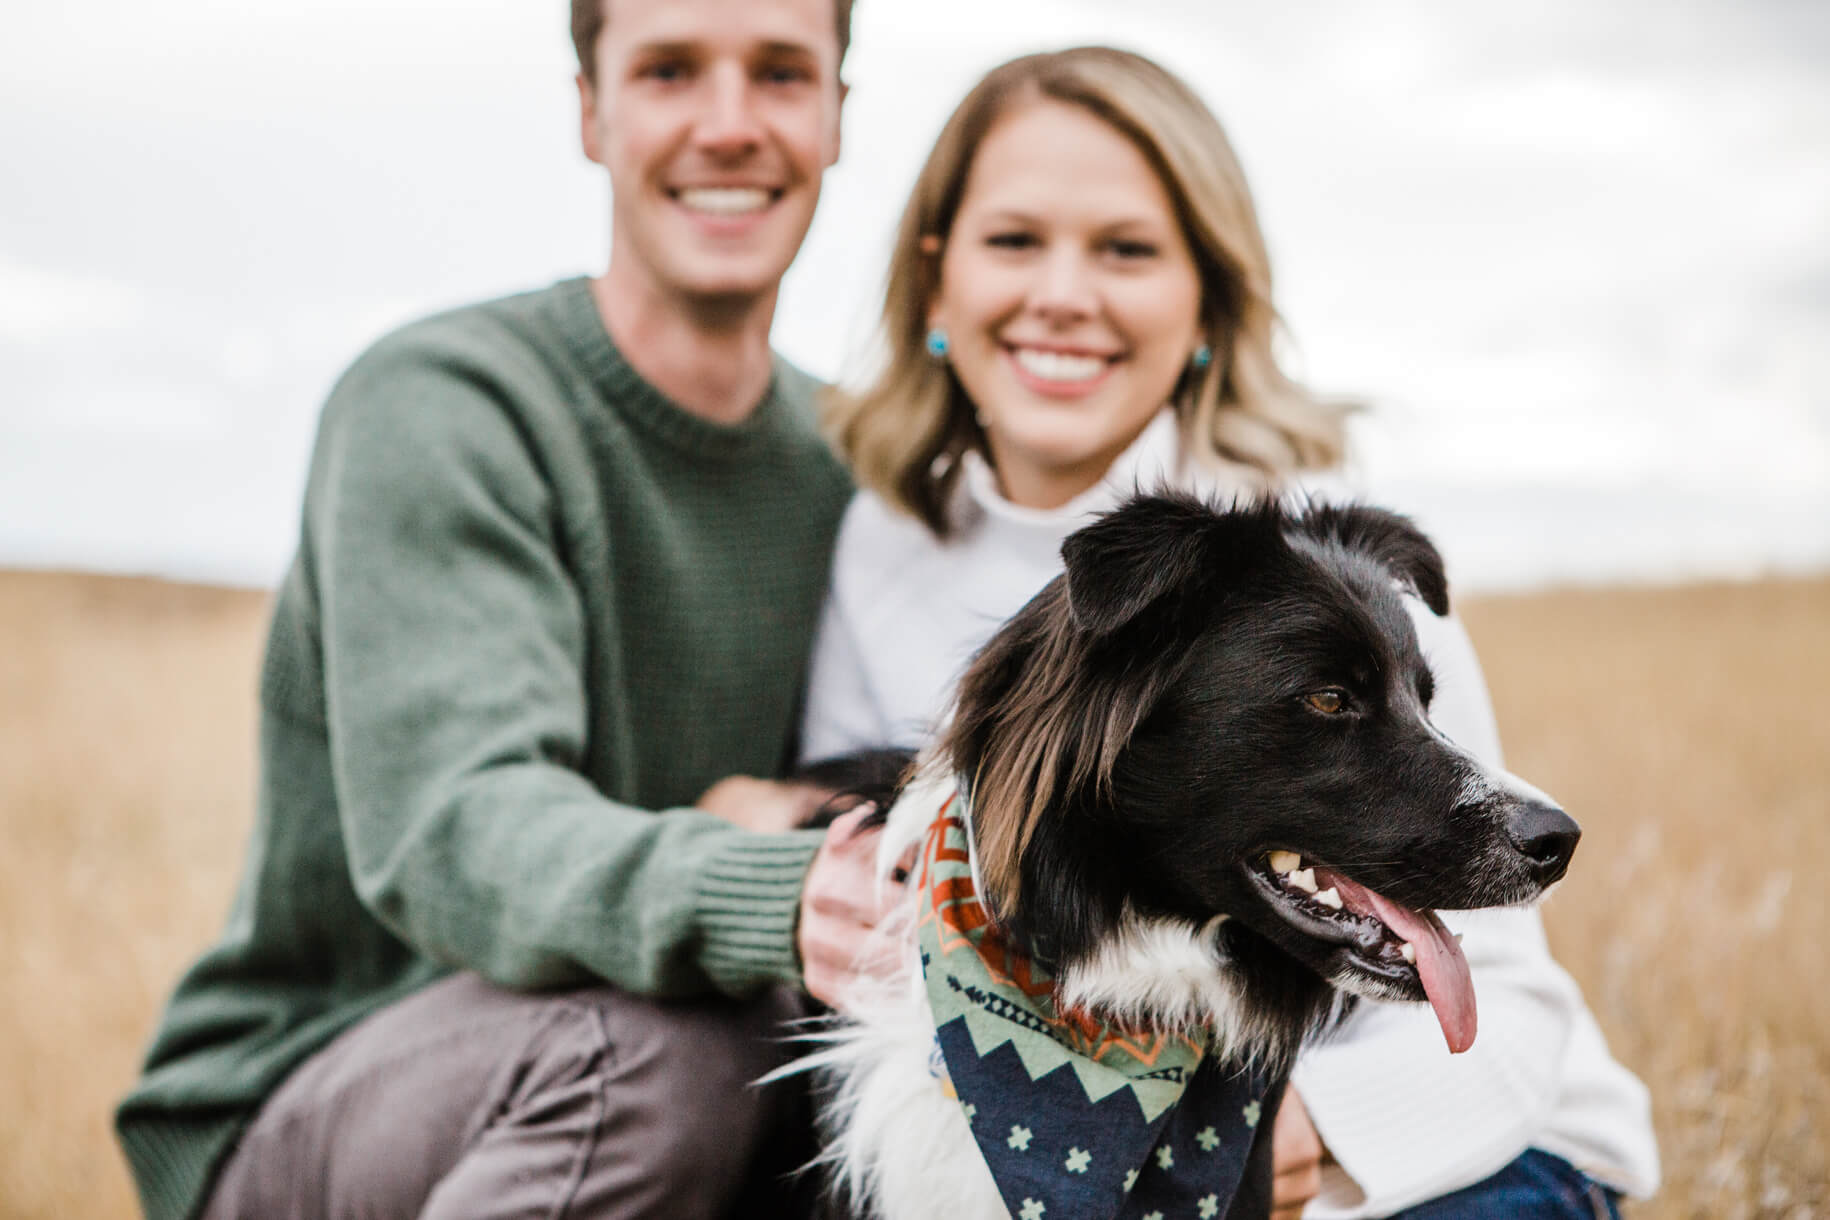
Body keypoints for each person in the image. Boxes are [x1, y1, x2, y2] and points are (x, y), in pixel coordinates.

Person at [799, 47, 1661, 1219]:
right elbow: (861, 840)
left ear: (1206, 294)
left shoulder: (1319, 556)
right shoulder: (882, 542)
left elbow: (1511, 1004)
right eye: (1014, 241)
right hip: (1037, 1122)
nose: (1064, 292)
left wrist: (1303, 1133)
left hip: (1459, 1163)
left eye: (1128, 248)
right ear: (935, 279)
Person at [114, 2, 898, 1218]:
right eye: (672, 71)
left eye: (783, 73)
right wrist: (773, 885)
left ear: (840, 113)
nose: (731, 124)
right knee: (658, 1051)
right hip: (326, 1090)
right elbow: (460, 826)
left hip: (699, 1080)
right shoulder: (444, 407)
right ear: (591, 110)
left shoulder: (855, 465)